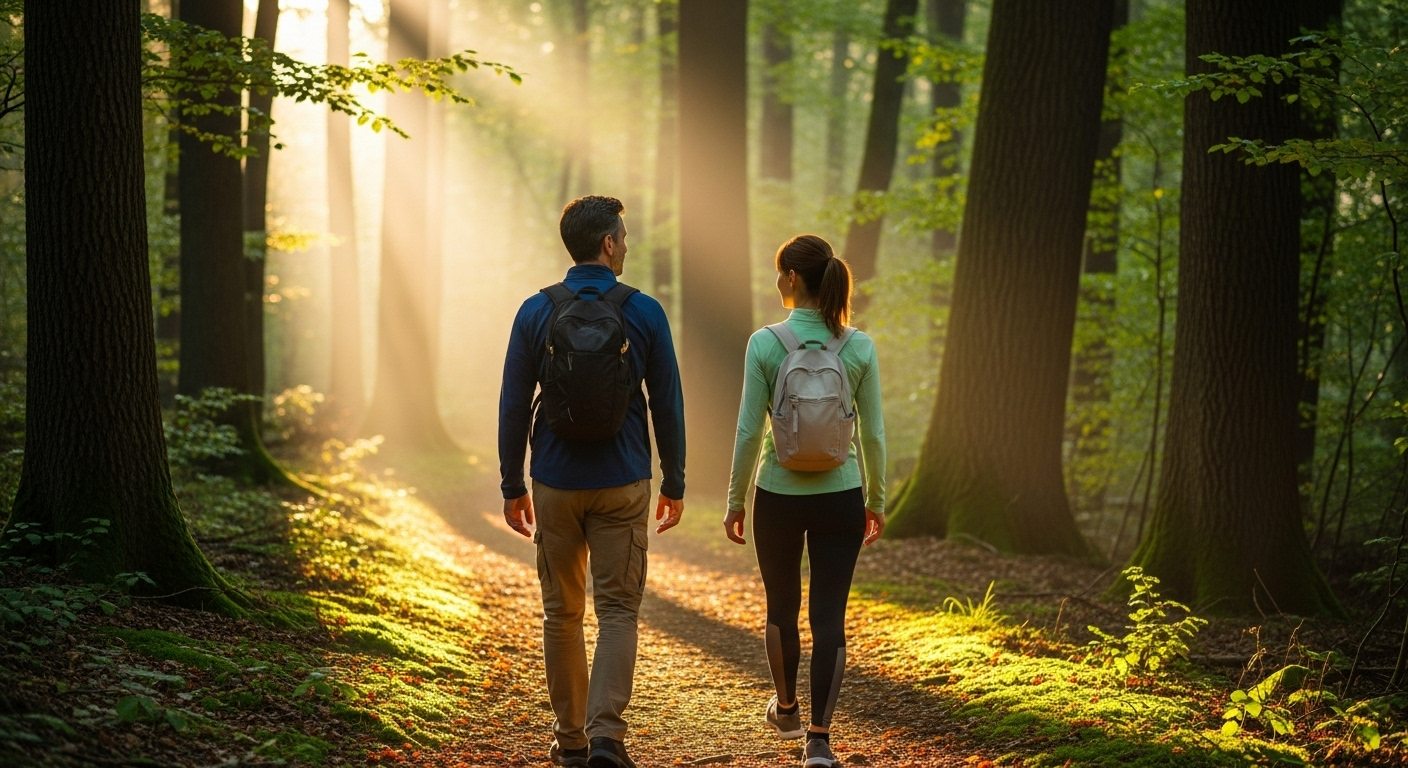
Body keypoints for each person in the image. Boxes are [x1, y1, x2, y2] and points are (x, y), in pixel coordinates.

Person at [499, 195, 686, 768]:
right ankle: (607, 737)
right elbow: (667, 403)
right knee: (618, 611)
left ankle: (571, 741)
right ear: (607, 243)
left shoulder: (536, 311)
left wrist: (513, 485)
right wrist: (674, 480)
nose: (627, 243)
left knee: (562, 613)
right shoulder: (645, 311)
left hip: (554, 480)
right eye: (623, 236)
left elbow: (513, 403)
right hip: (623, 479)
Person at [723, 234, 886, 768]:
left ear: (793, 278)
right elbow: (875, 436)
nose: (776, 282)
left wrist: (736, 499)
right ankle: (819, 740)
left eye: (778, 273)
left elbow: (750, 430)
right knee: (830, 615)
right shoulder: (858, 346)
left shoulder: (765, 343)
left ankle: (788, 710)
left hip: (778, 493)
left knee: (782, 607)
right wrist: (876, 499)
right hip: (842, 494)